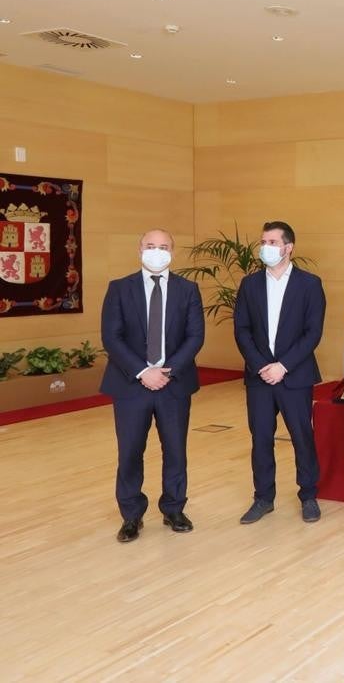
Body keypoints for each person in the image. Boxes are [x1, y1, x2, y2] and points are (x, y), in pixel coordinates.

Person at [100, 229, 205, 542]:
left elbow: (195, 337)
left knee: (175, 450)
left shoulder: (188, 289)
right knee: (130, 451)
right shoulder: (119, 288)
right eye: (150, 246)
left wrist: (167, 371)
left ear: (172, 251)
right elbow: (111, 337)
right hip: (131, 385)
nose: (156, 251)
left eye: (163, 247)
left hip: (174, 385)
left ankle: (174, 508)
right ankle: (131, 515)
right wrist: (143, 371)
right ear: (139, 249)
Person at [233, 221, 327, 524]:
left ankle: (308, 495)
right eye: (263, 241)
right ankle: (263, 498)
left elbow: (312, 333)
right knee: (261, 438)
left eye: (273, 242)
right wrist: (262, 366)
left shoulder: (310, 284)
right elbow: (242, 330)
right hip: (260, 377)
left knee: (302, 436)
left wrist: (283, 365)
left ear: (289, 248)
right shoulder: (250, 284)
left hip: (294, 375)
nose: (266, 247)